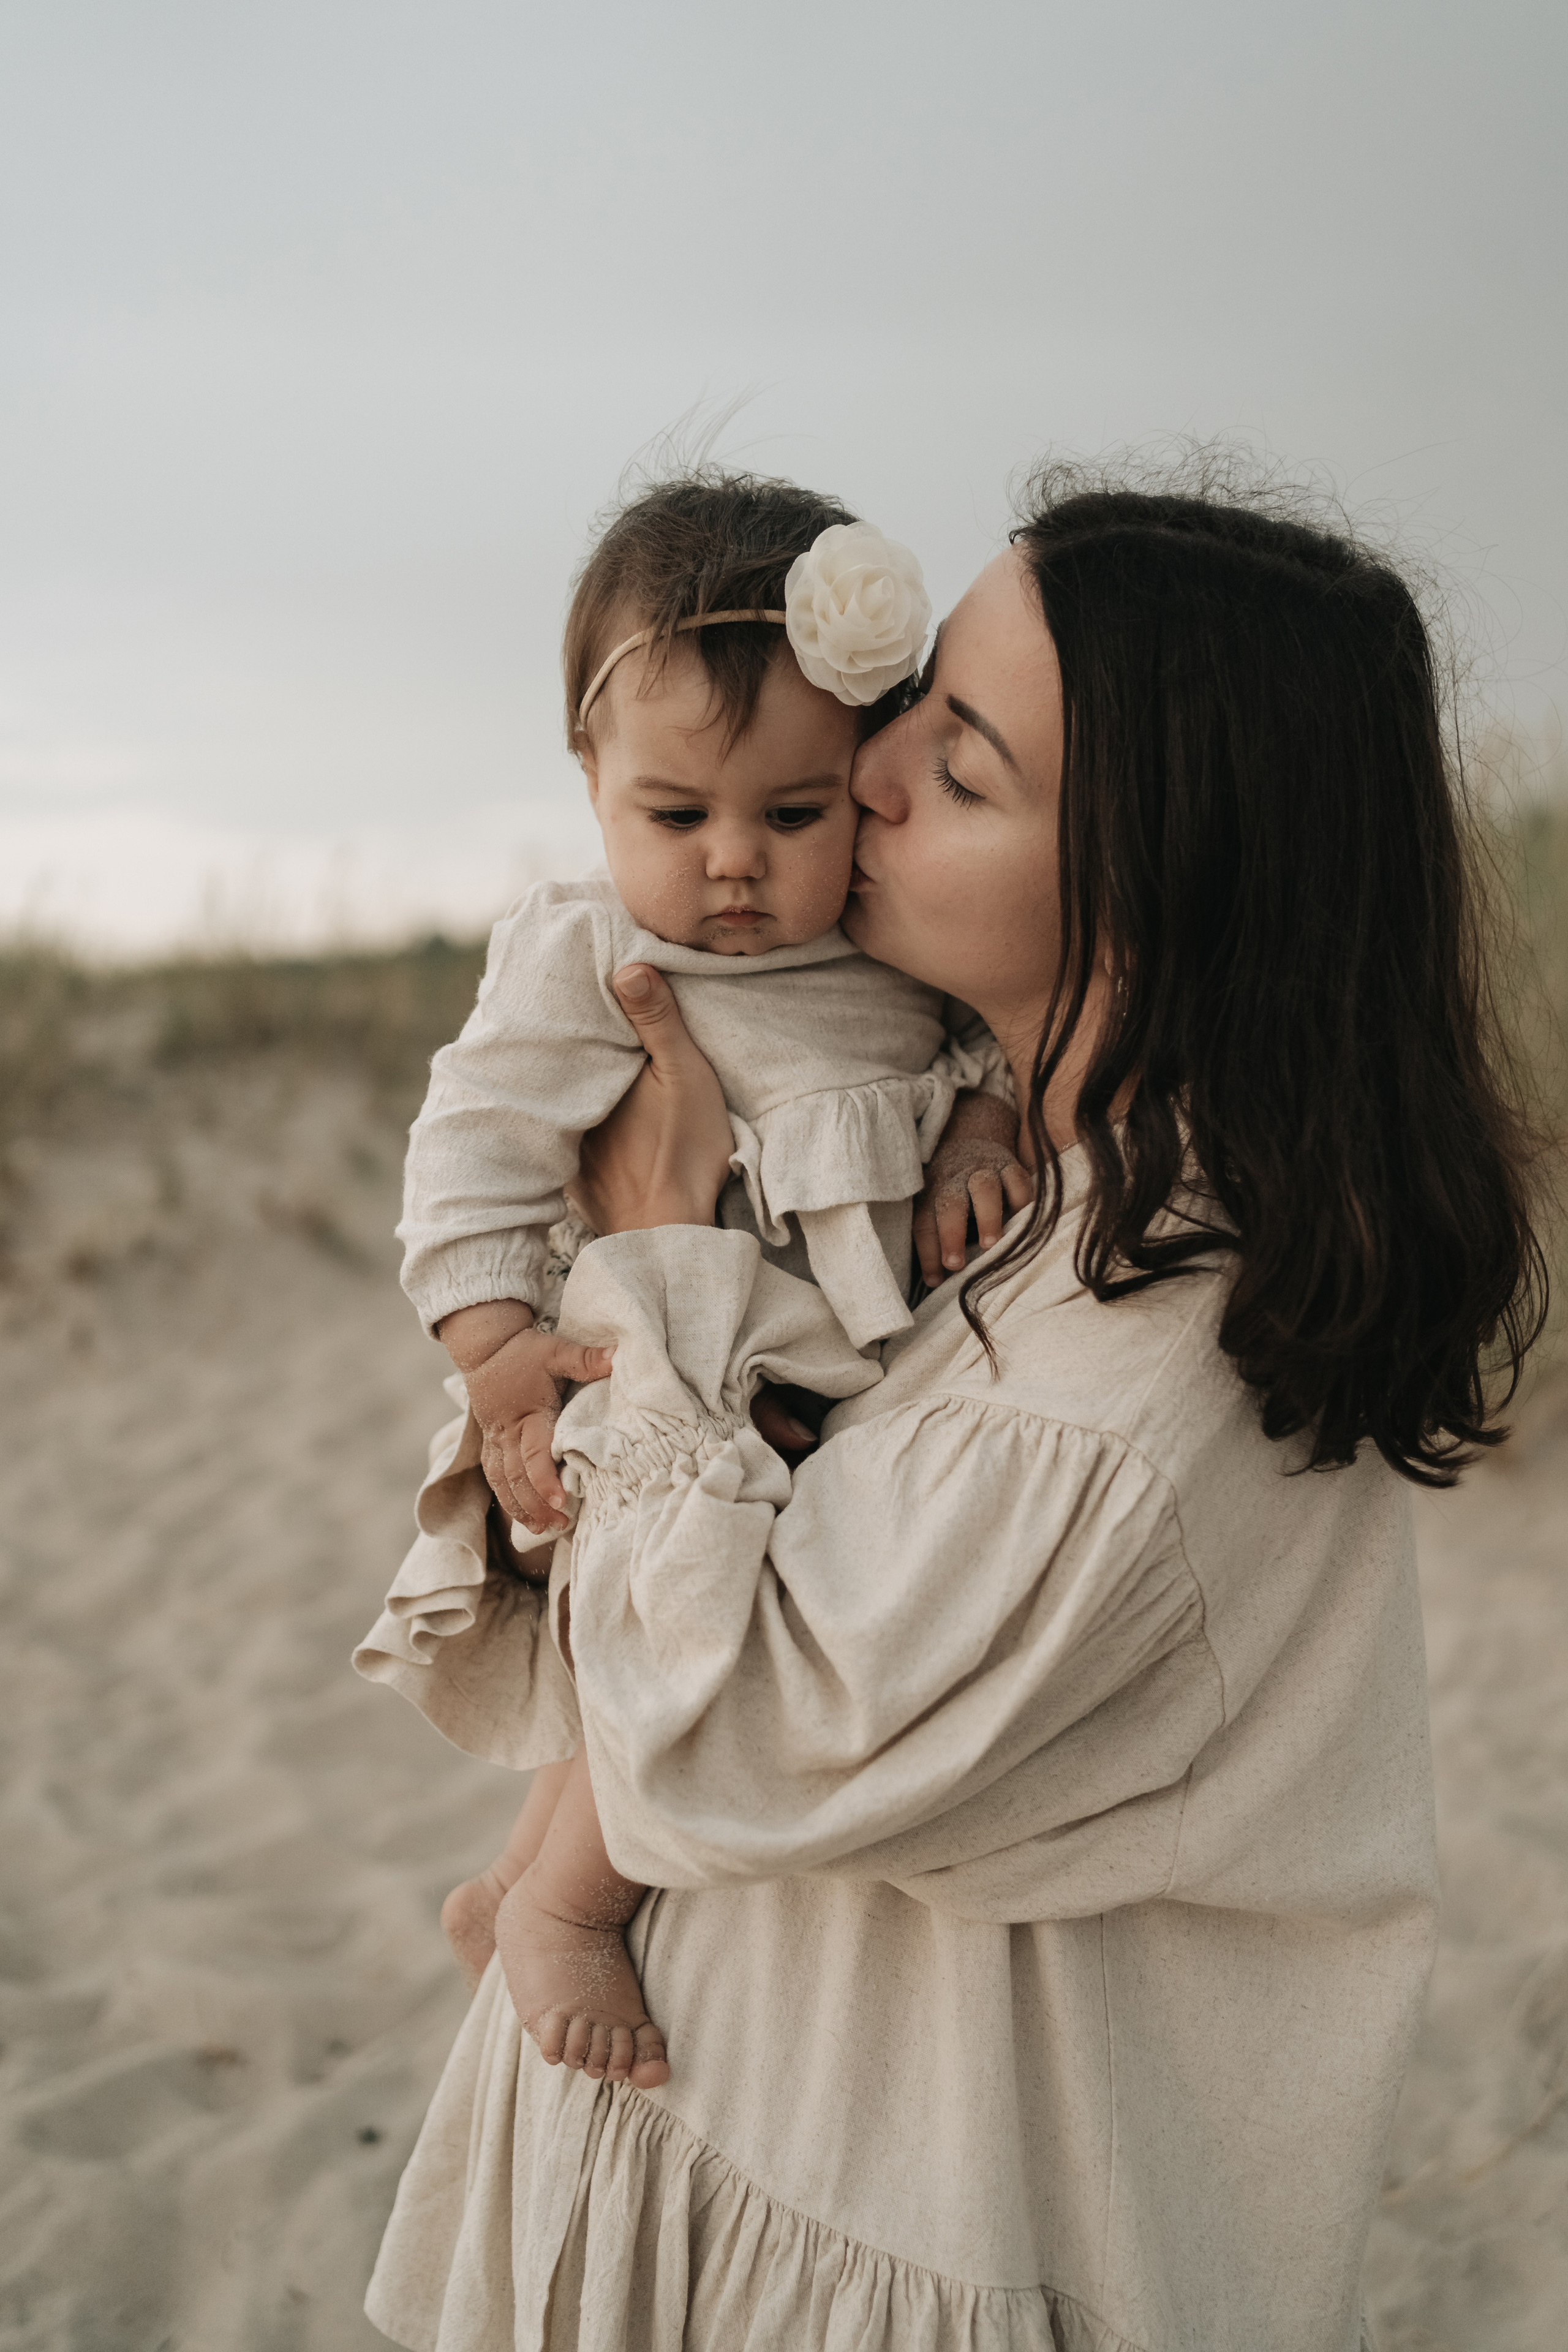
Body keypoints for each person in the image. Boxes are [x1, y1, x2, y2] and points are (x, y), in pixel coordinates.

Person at [361, 462, 1547, 2352]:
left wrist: (654, 1243)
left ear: (1157, 894)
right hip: (729, 2150)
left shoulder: (1118, 1401)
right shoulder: (1040, 1183)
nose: (876, 769)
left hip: (893, 2229)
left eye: (965, 764)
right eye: (917, 700)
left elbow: (713, 1733)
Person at [357, 471, 1027, 2094]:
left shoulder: (886, 948)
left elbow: (991, 1039)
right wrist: (498, 1345)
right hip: (658, 1370)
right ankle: (574, 1908)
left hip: (826, 1376)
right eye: (677, 816)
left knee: (693, 1627)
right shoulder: (593, 957)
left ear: (861, 789)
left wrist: (983, 1128)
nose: (736, 863)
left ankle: (516, 1876)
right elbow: (471, 1150)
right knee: (696, 1611)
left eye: (792, 816)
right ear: (590, 780)